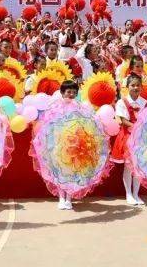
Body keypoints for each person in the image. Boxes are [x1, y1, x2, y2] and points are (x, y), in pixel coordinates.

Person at [111, 73, 147, 206]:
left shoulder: (144, 102)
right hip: (127, 137)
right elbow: (123, 120)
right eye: (132, 85)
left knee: (137, 167)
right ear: (127, 87)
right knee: (128, 167)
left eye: (138, 85)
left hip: (140, 138)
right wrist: (135, 126)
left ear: (141, 87)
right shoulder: (122, 102)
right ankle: (129, 194)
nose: (135, 88)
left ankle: (136, 194)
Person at [57, 80, 80, 210]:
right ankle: (61, 197)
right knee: (60, 170)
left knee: (72, 171)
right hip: (60, 143)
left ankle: (69, 198)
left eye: (74, 92)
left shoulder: (79, 107)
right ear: (62, 93)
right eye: (68, 92)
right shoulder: (57, 107)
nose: (71, 94)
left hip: (74, 143)